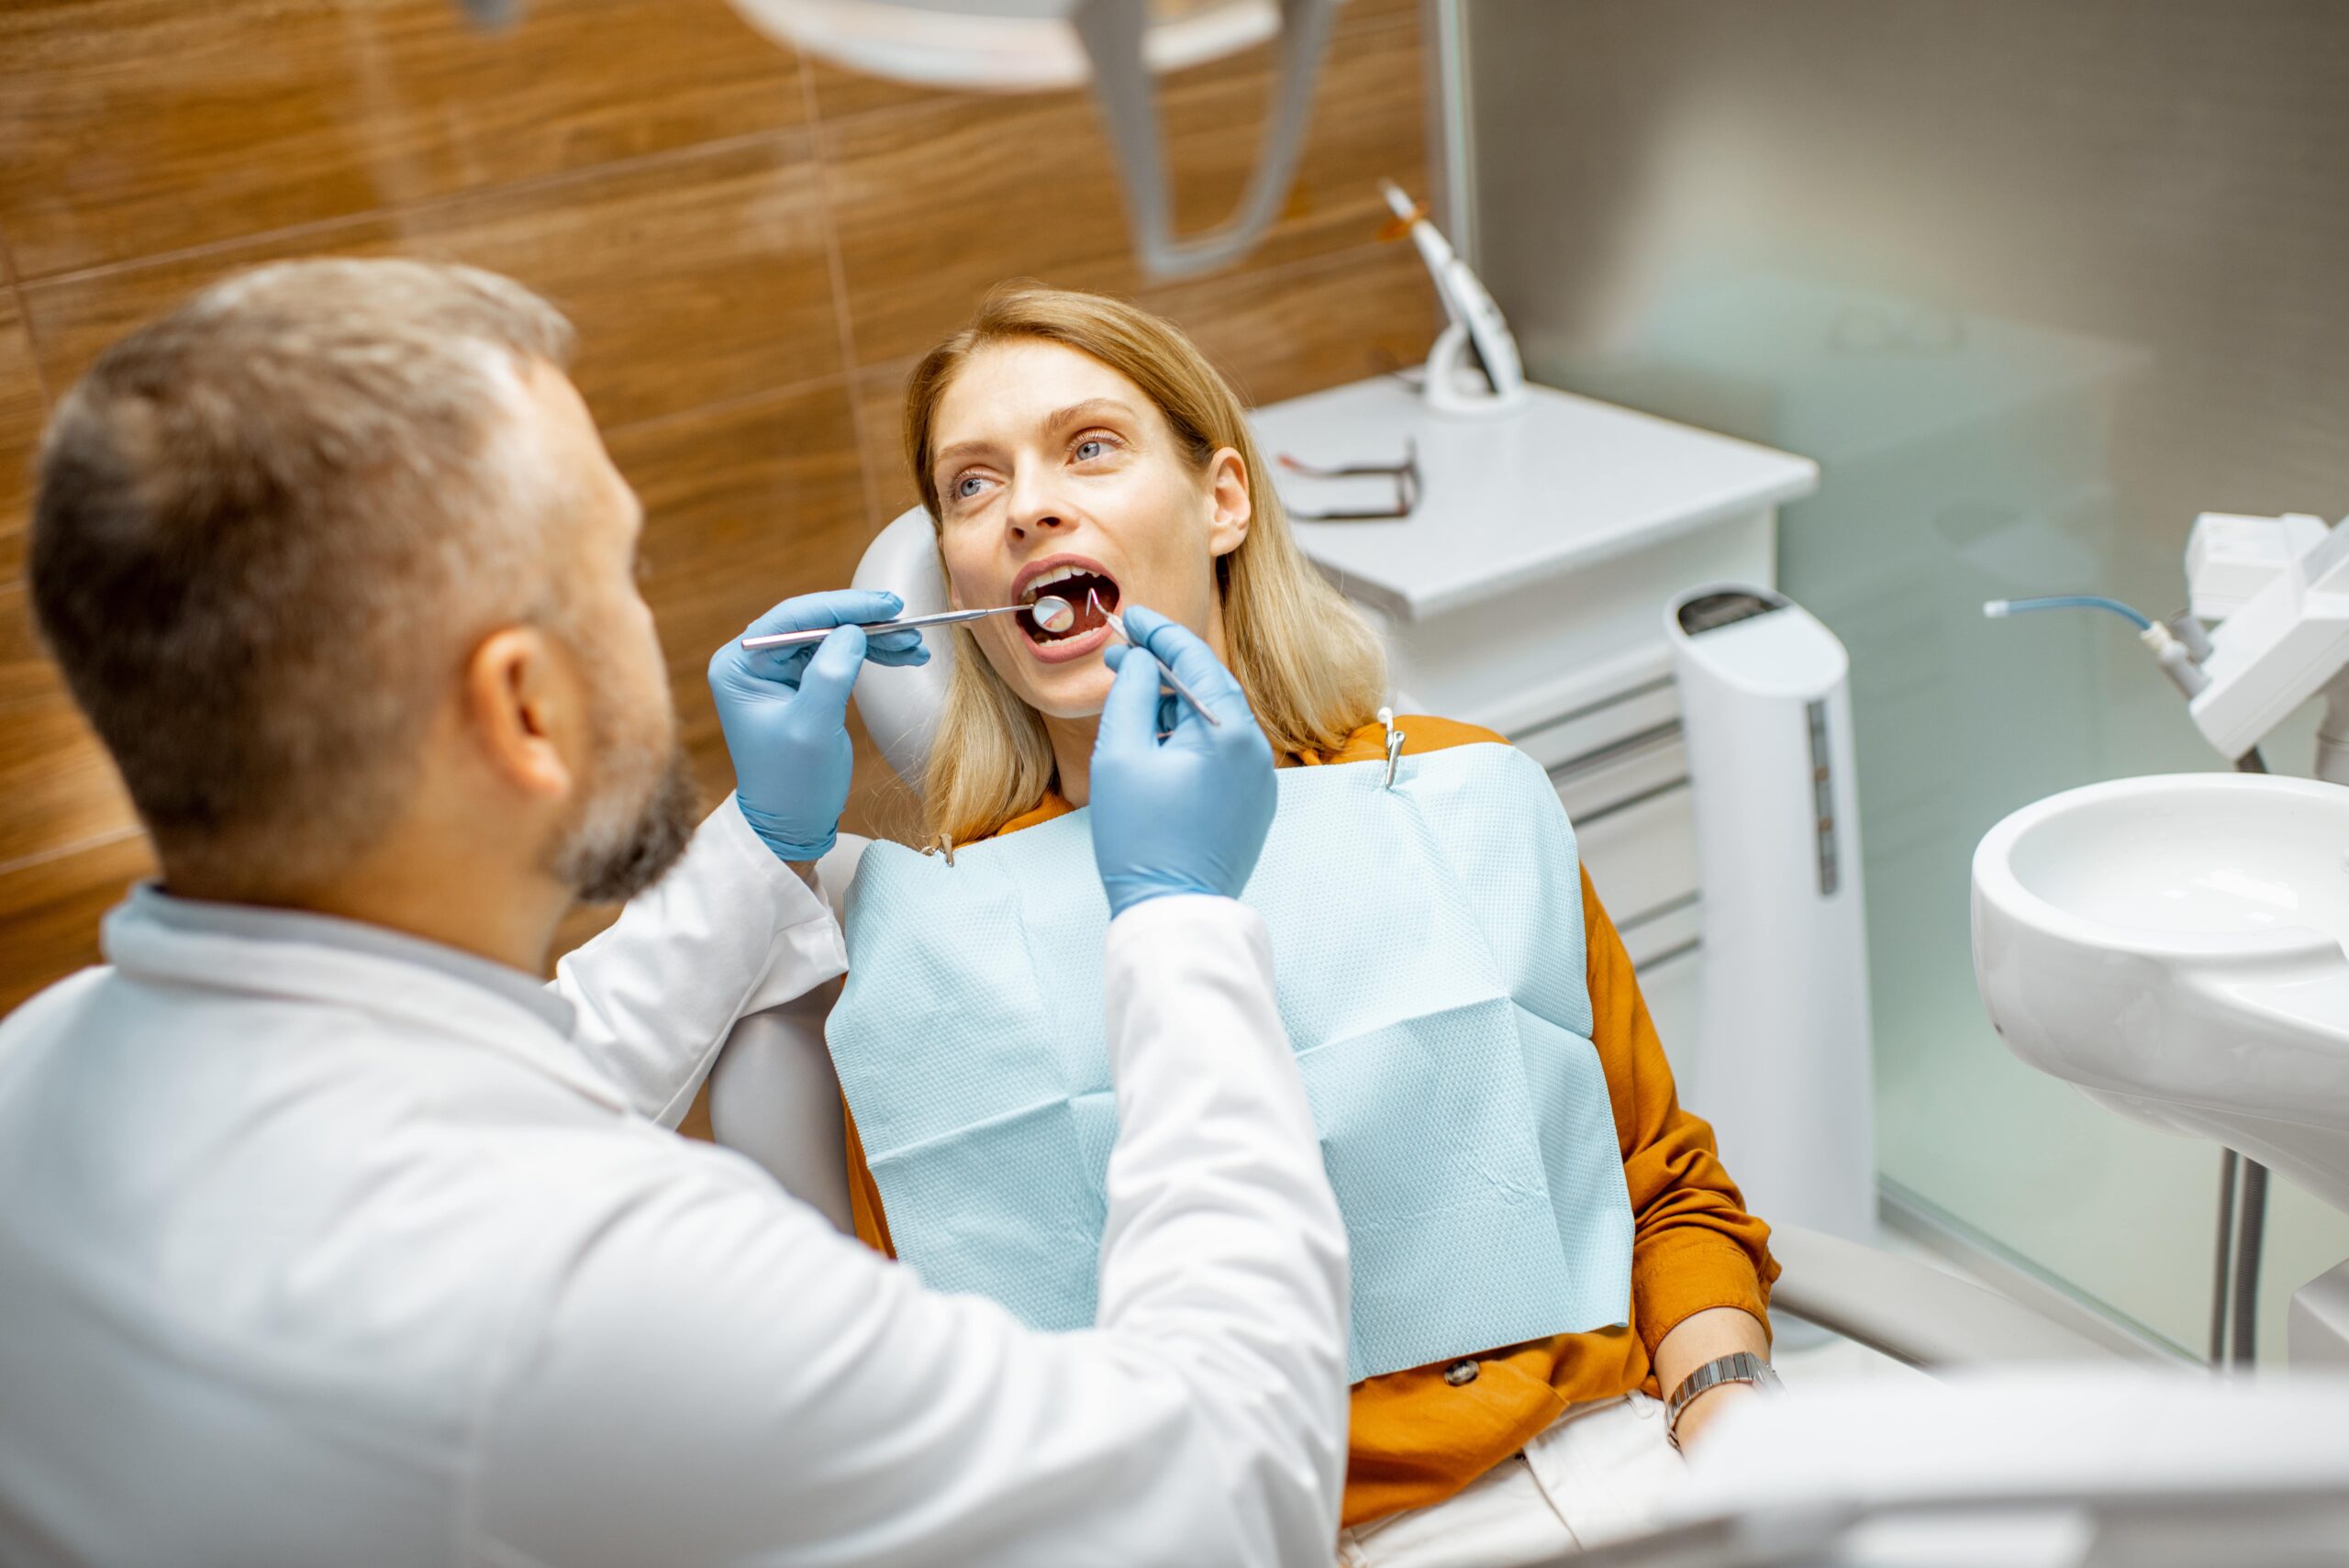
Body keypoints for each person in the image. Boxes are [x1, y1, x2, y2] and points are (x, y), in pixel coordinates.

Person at [0, 259, 1353, 1568]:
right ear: (526, 706)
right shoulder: (606, 1292)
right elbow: (1223, 1503)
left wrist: (762, 843)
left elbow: (518, 1069)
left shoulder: (37, 1069)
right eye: (623, 572)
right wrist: (1177, 926)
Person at [826, 286, 1783, 1566]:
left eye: (1089, 447)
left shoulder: (1459, 795)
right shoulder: (922, 948)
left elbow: (1663, 1183)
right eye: (971, 484)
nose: (1028, 507)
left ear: (1225, 499)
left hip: (1604, 1466)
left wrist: (1726, 1408)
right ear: (955, 574)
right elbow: (939, 1391)